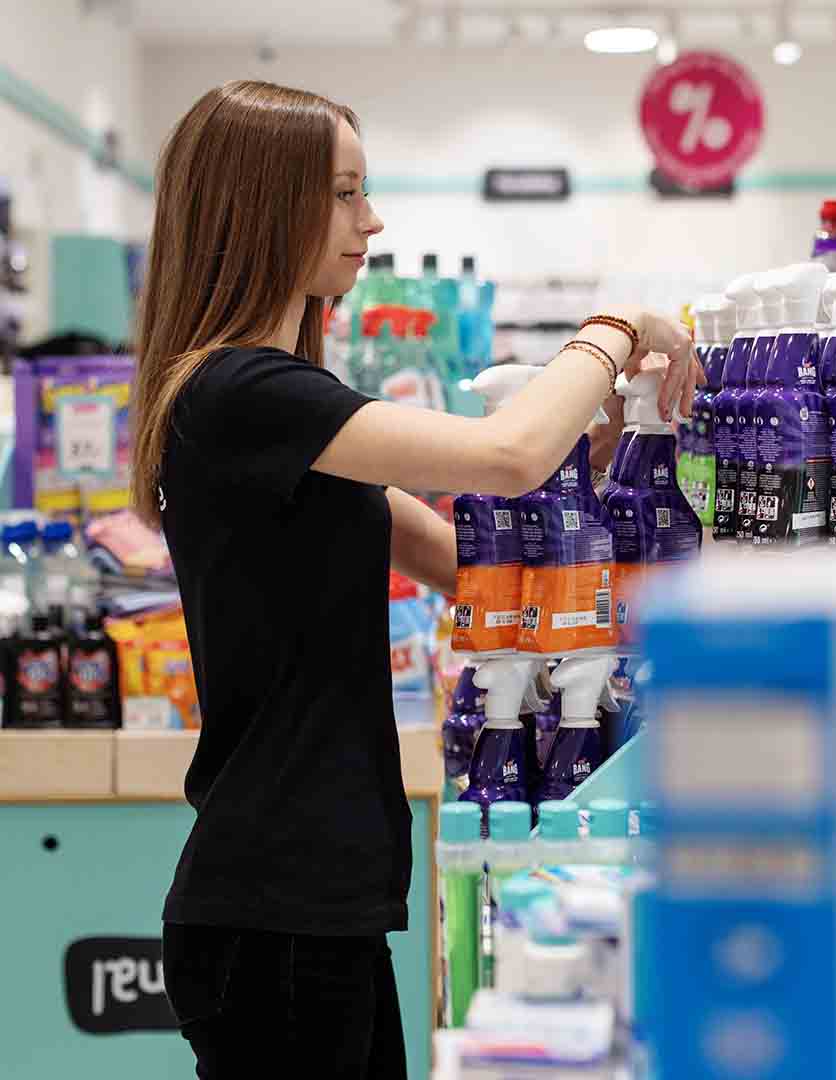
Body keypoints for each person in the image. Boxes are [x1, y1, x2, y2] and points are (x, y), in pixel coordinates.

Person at [131, 79, 699, 1079]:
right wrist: (613, 329)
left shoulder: (281, 411)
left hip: (310, 908)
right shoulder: (241, 394)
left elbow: (473, 565)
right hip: (277, 911)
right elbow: (506, 455)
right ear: (264, 205)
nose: (372, 221)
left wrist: (637, 480)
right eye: (346, 194)